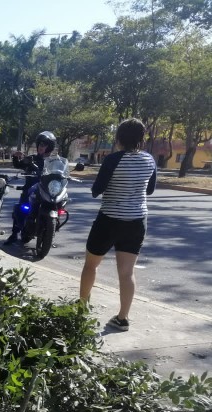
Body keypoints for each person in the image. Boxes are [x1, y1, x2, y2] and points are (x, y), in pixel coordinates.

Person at [79, 118, 157, 332]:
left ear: (119, 138)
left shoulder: (113, 160)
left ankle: (81, 309)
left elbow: (97, 190)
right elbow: (149, 190)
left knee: (91, 265)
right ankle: (123, 318)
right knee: (127, 271)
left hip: (109, 220)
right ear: (141, 139)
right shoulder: (149, 160)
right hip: (137, 221)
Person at [3, 131, 57, 245]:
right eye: (40, 144)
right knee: (21, 208)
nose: (41, 147)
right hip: (30, 190)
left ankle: (49, 234)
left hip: (47, 191)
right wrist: (15, 157)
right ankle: (14, 234)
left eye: (44, 144)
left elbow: (62, 172)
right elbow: (18, 165)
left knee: (59, 204)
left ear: (50, 147)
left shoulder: (55, 161)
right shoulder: (32, 158)